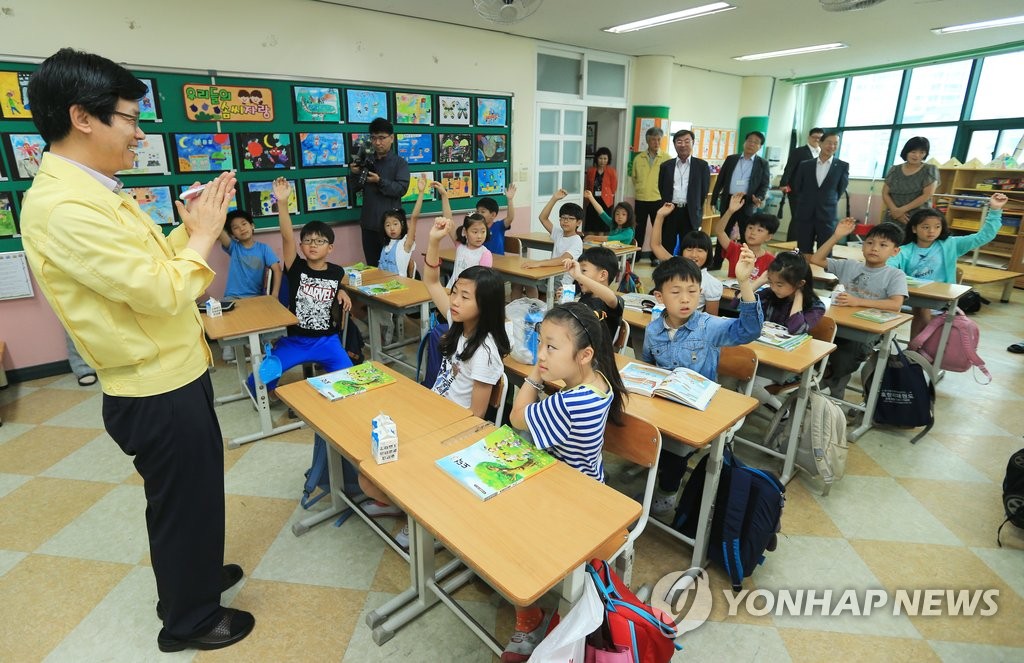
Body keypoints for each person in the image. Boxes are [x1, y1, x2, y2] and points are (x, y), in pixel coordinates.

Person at [20, 48, 253, 651]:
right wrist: (203, 236)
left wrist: (193, 226)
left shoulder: (96, 190)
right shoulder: (66, 206)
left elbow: (149, 266)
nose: (139, 132)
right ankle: (190, 620)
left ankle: (193, 580)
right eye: (129, 117)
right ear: (83, 117)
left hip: (173, 370)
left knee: (196, 495)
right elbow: (160, 289)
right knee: (180, 505)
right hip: (154, 387)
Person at [360, 217, 510, 548]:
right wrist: (433, 240)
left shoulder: (485, 352)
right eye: (454, 293)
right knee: (370, 466)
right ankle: (405, 506)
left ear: (484, 307)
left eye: (464, 297)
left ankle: (431, 519)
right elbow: (431, 281)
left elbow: (475, 419)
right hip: (434, 413)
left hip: (453, 429)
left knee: (387, 469)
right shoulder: (459, 326)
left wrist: (433, 433)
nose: (454, 302)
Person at [503, 301, 627, 662]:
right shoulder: (599, 380)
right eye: (540, 343)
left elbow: (516, 416)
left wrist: (533, 378)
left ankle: (531, 618)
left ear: (585, 354)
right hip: (588, 484)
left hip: (568, 500)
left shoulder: (571, 403)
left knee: (499, 521)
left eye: (551, 347)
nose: (541, 354)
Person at [642, 252, 763, 516]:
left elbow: (749, 330)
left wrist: (744, 283)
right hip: (663, 404)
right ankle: (656, 469)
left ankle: (667, 490)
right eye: (676, 292)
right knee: (635, 430)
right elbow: (649, 366)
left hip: (695, 408)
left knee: (674, 453)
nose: (685, 299)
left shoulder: (709, 326)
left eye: (692, 291)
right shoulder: (653, 330)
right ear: (660, 297)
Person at [245, 177, 354, 395]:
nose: (313, 245)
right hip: (296, 340)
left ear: (330, 248)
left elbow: (341, 282)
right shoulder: (296, 267)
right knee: (258, 383)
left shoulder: (337, 271)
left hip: (327, 340)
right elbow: (286, 237)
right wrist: (282, 203)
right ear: (301, 246)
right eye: (308, 241)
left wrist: (343, 291)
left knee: (349, 383)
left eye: (320, 241)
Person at [809, 219, 908, 398]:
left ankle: (831, 384)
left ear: (895, 251)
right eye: (869, 243)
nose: (874, 248)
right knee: (812, 338)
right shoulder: (849, 265)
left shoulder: (895, 275)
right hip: (838, 324)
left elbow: (896, 304)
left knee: (844, 354)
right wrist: (837, 236)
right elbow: (816, 259)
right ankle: (821, 379)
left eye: (883, 245)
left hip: (865, 333)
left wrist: (858, 301)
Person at [889, 193, 1007, 336]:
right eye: (925, 227)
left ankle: (917, 348)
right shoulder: (905, 250)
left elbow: (984, 236)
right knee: (919, 307)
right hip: (913, 295)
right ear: (914, 229)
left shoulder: (950, 244)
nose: (932, 231)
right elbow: (890, 266)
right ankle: (917, 349)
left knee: (922, 308)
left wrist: (995, 210)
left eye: (937, 227)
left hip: (942, 296)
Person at [751, 252, 826, 410]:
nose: (773, 288)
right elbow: (738, 303)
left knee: (751, 385)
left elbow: (795, 328)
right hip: (761, 355)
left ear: (800, 283)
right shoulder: (770, 295)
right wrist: (760, 281)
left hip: (787, 366)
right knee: (728, 375)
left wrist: (799, 296)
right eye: (771, 282)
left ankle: (779, 411)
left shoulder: (815, 306)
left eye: (779, 284)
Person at [217, 209, 281, 361]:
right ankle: (228, 346)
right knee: (221, 311)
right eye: (235, 227)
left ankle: (257, 342)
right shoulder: (234, 247)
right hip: (232, 296)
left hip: (255, 297)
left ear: (252, 226)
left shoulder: (264, 249)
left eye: (244, 224)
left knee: (261, 318)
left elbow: (277, 271)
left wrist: (275, 295)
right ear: (233, 234)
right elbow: (220, 231)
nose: (241, 228)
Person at [350, 117, 409, 266]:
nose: (377, 142)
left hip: (392, 227)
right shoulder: (366, 161)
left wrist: (379, 181)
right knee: (372, 267)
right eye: (374, 138)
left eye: (382, 138)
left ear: (392, 138)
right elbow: (354, 188)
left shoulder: (400, 163)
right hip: (369, 224)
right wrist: (354, 173)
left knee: (393, 267)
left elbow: (401, 189)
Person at [710, 131, 771, 269]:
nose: (751, 144)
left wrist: (759, 197)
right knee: (723, 231)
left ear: (760, 147)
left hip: (747, 201)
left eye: (756, 142)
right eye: (749, 140)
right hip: (729, 200)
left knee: (747, 234)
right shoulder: (732, 159)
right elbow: (720, 180)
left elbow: (764, 184)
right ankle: (717, 262)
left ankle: (746, 263)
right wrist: (713, 199)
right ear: (744, 142)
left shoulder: (762, 164)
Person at [651, 206, 722, 315]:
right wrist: (660, 216)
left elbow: (711, 319)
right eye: (689, 249)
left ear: (708, 254)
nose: (694, 255)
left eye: (700, 250)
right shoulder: (675, 265)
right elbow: (656, 245)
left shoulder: (712, 284)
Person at [790, 131, 849, 255]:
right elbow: (797, 186)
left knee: (825, 251)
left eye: (835, 144)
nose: (832, 146)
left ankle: (824, 274)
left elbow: (840, 189)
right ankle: (804, 273)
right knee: (803, 250)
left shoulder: (842, 166)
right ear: (820, 143)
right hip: (805, 213)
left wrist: (826, 200)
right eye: (828, 143)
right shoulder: (806, 165)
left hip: (827, 215)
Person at [658, 130, 711, 260]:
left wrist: (695, 206)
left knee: (689, 245)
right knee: (667, 242)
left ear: (693, 143)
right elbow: (662, 187)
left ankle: (686, 272)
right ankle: (667, 271)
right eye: (679, 141)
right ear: (674, 144)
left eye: (687, 141)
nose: (683, 145)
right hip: (671, 210)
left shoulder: (701, 166)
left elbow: (704, 190)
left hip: (690, 211)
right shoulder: (666, 166)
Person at [522, 188, 584, 290]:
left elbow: (562, 260)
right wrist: (554, 199)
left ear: (578, 222)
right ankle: (535, 304)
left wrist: (538, 263)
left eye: (570, 218)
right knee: (524, 281)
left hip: (563, 283)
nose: (565, 221)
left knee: (531, 284)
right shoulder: (558, 233)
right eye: (563, 218)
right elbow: (543, 218)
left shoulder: (576, 240)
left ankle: (539, 303)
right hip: (551, 274)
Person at [563, 246, 624, 340]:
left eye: (583, 270)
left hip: (599, 353)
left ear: (603, 275)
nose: (578, 275)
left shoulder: (610, 302)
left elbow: (611, 298)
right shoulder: (585, 298)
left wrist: (579, 276)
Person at [713, 193, 778, 279]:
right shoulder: (735, 250)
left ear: (769, 237)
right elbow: (719, 232)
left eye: (759, 230)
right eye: (750, 228)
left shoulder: (771, 260)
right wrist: (730, 211)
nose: (753, 232)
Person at [631, 126, 671, 263]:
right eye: (653, 139)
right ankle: (636, 256)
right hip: (641, 199)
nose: (656, 142)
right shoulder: (638, 158)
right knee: (639, 229)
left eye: (659, 139)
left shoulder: (666, 158)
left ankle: (657, 257)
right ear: (647, 141)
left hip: (658, 199)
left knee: (659, 229)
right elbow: (634, 178)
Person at [881, 136, 940, 225]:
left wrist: (901, 211)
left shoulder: (930, 170)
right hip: (892, 215)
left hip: (918, 218)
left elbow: (927, 195)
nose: (917, 156)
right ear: (906, 151)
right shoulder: (894, 169)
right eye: (913, 152)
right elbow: (885, 193)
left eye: (922, 152)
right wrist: (894, 210)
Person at [780, 127, 824, 241]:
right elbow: (789, 168)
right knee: (797, 218)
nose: (817, 140)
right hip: (797, 190)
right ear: (809, 137)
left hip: (816, 192)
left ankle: (804, 243)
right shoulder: (799, 151)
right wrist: (784, 183)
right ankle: (790, 245)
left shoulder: (823, 153)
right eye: (814, 137)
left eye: (819, 138)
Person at [446, 213, 493, 287]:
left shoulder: (485, 254)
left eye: (483, 231)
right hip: (452, 289)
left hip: (469, 293)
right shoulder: (460, 246)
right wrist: (445, 200)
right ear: (465, 231)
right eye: (475, 232)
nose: (479, 236)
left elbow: (483, 280)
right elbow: (449, 221)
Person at [584, 147, 617, 233]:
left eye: (605, 158)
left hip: (606, 201)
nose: (603, 161)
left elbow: (613, 187)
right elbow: (588, 185)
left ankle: (601, 243)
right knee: (591, 224)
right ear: (597, 159)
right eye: (600, 158)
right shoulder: (591, 171)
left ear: (608, 159)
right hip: (593, 200)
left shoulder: (611, 171)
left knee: (603, 225)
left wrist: (609, 195)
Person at [480, 183, 517, 255]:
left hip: (499, 261)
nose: (479, 214)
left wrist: (510, 200)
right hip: (484, 261)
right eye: (478, 211)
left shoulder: (498, 226)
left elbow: (510, 218)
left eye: (483, 212)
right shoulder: (477, 229)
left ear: (493, 215)